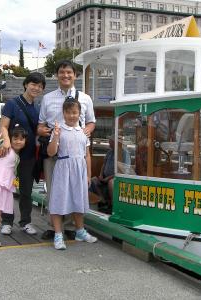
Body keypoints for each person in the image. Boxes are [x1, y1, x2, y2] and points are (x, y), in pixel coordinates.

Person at [38, 60, 96, 240]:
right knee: (53, 190)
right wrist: (44, 131)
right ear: (57, 75)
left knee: (74, 189)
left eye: (69, 72)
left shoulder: (85, 98)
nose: (66, 75)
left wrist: (88, 130)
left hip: (75, 149)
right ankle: (55, 228)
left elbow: (91, 122)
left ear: (75, 75)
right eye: (62, 72)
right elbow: (40, 125)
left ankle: (72, 227)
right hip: (53, 149)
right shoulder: (47, 98)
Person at [0, 72, 46, 236]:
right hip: (11, 153)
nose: (36, 88)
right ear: (26, 84)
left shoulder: (38, 109)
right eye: (33, 84)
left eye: (40, 86)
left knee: (26, 190)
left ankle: (25, 221)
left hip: (29, 154)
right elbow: (4, 126)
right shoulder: (12, 103)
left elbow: (39, 130)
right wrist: (6, 141)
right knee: (7, 188)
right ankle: (6, 221)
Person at [47, 99, 97, 250]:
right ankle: (58, 234)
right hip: (63, 167)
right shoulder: (59, 130)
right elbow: (51, 152)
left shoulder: (83, 132)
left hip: (79, 169)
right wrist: (55, 136)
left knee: (78, 200)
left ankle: (80, 231)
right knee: (58, 200)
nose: (71, 116)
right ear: (63, 113)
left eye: (74, 112)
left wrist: (88, 175)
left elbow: (87, 155)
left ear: (79, 113)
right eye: (68, 112)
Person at [89, 135, 130, 212]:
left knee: (111, 183)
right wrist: (101, 175)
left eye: (110, 142)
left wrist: (109, 178)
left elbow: (124, 171)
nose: (109, 143)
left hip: (119, 178)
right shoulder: (109, 152)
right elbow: (103, 164)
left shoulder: (124, 153)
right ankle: (103, 201)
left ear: (115, 143)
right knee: (93, 180)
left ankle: (113, 206)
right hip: (105, 177)